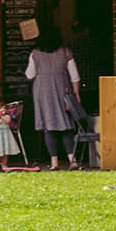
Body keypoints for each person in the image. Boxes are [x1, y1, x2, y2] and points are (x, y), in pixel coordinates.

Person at [26, 29, 82, 171]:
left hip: (42, 92)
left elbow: (30, 75)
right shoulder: (65, 52)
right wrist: (76, 93)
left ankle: (54, 162)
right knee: (66, 125)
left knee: (48, 126)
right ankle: (73, 160)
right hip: (61, 90)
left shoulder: (35, 53)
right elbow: (74, 76)